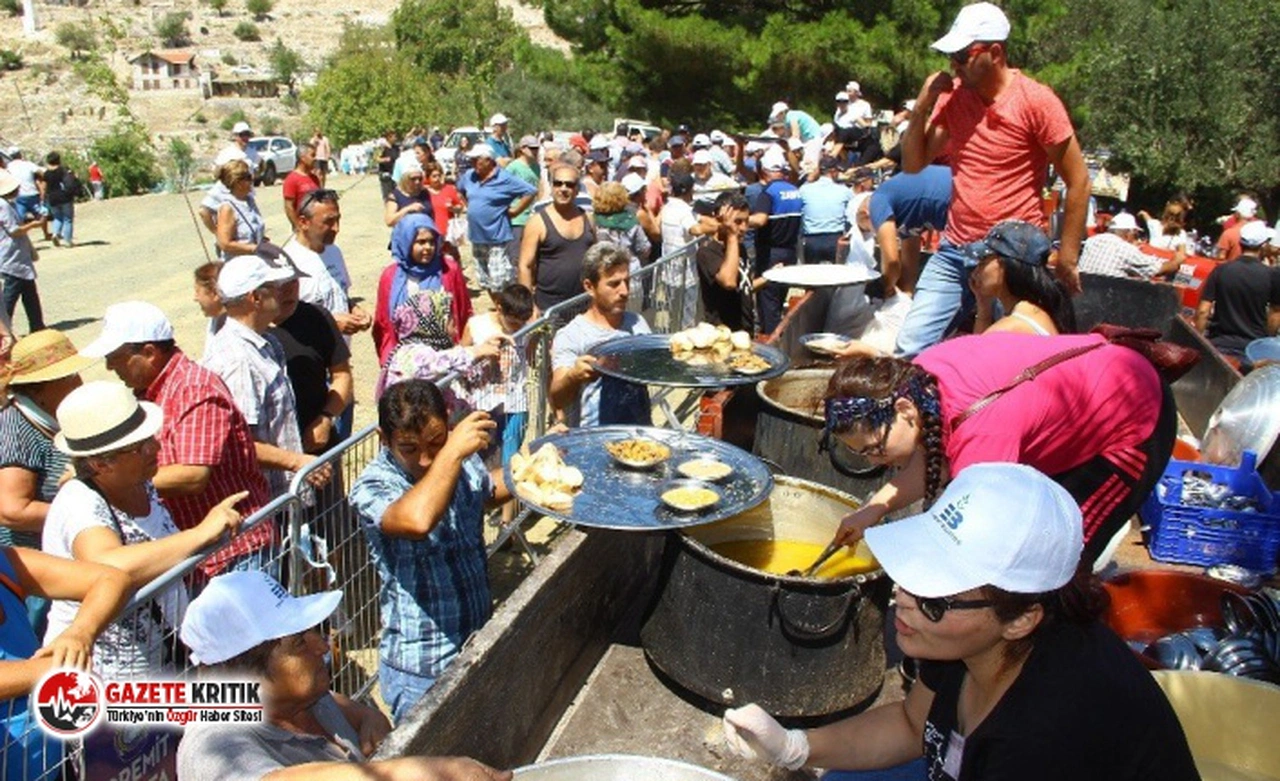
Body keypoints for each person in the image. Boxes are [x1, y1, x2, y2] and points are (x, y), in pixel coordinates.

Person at [723, 463, 1200, 781]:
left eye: (933, 600)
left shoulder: (1042, 739)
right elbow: (914, 725)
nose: (902, 604)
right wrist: (794, 747)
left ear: (1021, 619)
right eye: (910, 577)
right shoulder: (970, 641)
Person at [821, 330, 1175, 566]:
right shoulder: (917, 380)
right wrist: (874, 509)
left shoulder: (982, 435)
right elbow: (936, 453)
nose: (873, 460)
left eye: (874, 449)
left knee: (1061, 560)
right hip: (1073, 410)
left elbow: (979, 538)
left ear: (902, 410)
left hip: (1132, 419)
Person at [177, 570, 512, 781]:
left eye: (316, 632)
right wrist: (421, 772)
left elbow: (350, 709)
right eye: (299, 643)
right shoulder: (212, 741)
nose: (323, 647)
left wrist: (369, 717)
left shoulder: (306, 697)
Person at [897, 2, 1089, 358]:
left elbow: (1078, 181)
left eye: (962, 54)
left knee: (1007, 357)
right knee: (911, 346)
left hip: (1012, 256)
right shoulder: (954, 99)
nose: (954, 64)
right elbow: (913, 164)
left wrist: (1068, 256)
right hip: (955, 247)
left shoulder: (1037, 102)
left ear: (995, 52)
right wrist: (921, 108)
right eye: (950, 56)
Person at [42, 381, 248, 678]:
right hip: (107, 686)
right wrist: (200, 533)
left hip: (161, 667)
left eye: (150, 436)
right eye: (140, 447)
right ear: (101, 463)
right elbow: (105, 565)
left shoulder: (140, 482)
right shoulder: (79, 503)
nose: (156, 446)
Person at [349, 380, 512, 722]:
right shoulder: (373, 485)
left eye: (435, 443)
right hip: (422, 670)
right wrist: (450, 452)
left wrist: (531, 468)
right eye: (408, 448)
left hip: (477, 643)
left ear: (448, 421)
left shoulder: (458, 460)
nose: (424, 459)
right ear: (384, 439)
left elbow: (485, 491)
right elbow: (417, 520)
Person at [82, 301, 275, 576]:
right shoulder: (149, 391)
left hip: (232, 550)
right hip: (199, 551)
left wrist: (110, 482)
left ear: (149, 352)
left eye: (116, 357)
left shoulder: (193, 389)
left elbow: (192, 475)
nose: (110, 366)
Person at [203, 253, 332, 497]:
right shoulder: (239, 360)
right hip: (263, 500)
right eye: (274, 288)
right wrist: (296, 461)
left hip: (279, 496)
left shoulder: (266, 342)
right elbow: (241, 443)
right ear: (256, 298)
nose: (282, 293)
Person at [1, 545, 131, 780]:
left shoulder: (7, 562)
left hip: (52, 758)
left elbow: (112, 578)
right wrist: (57, 666)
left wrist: (80, 633)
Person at [0, 330, 93, 635]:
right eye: (69, 377)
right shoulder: (16, 430)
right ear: (40, 390)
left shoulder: (47, 420)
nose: (79, 383)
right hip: (32, 578)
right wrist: (77, 515)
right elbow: (11, 510)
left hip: (51, 564)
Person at [550, 243, 651, 427]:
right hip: (593, 442)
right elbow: (557, 399)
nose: (624, 291)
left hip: (638, 440)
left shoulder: (637, 323)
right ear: (590, 287)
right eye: (614, 284)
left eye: (627, 281)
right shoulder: (572, 335)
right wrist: (573, 376)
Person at [374, 214, 473, 366]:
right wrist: (388, 359)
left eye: (431, 242)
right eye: (421, 242)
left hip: (445, 357)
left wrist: (462, 352)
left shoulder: (448, 270)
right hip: (406, 360)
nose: (428, 247)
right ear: (406, 242)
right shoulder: (390, 276)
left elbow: (463, 311)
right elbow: (383, 323)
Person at [285, 189, 372, 340]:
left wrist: (354, 309)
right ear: (304, 222)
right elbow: (282, 318)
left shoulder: (334, 252)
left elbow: (340, 293)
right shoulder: (288, 263)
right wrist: (330, 324)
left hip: (339, 357)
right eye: (328, 222)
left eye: (338, 220)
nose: (336, 228)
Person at [967, 220, 1075, 336]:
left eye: (983, 262)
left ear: (1006, 266)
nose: (975, 271)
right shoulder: (1032, 311)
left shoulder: (1009, 329)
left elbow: (977, 351)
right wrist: (984, 306)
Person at [519, 162, 598, 317]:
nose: (563, 189)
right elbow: (525, 266)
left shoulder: (588, 218)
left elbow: (595, 259)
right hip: (549, 308)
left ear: (577, 189)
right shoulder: (537, 222)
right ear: (552, 187)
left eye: (569, 184)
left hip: (584, 305)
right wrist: (529, 307)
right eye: (558, 183)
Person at [457, 144, 537, 296]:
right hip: (477, 236)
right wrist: (469, 207)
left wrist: (515, 211)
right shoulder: (469, 176)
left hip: (497, 237)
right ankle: (499, 308)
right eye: (472, 160)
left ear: (488, 160)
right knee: (484, 278)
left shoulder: (505, 178)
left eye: (476, 160)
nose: (473, 163)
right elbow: (460, 189)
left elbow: (530, 191)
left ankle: (507, 308)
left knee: (499, 280)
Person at [1195, 221, 1280, 361]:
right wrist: (1266, 342)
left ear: (1240, 244)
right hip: (1252, 350)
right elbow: (1275, 314)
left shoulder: (1221, 270)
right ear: (1263, 246)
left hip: (1218, 345)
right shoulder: (1272, 276)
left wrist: (1197, 344)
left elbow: (1203, 310)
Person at [868, 164, 952, 296]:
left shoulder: (877, 201)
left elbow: (892, 262)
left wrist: (884, 287)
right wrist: (903, 296)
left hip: (964, 200)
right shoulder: (906, 212)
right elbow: (909, 270)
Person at [749, 148, 803, 335]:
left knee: (768, 304)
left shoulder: (769, 192)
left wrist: (738, 221)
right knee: (779, 301)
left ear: (763, 171)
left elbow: (760, 220)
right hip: (790, 252)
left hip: (770, 253)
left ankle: (772, 346)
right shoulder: (794, 190)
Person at [695, 191, 754, 333]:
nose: (744, 228)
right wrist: (732, 235)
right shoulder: (707, 252)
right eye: (738, 222)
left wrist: (769, 279)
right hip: (723, 334)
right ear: (720, 219)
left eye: (746, 221)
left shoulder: (739, 248)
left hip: (744, 330)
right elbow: (729, 282)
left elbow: (743, 286)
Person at [0, 171, 45, 332]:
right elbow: (13, 230)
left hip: (17, 254)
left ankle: (37, 325)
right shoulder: (3, 205)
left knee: (29, 292)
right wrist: (33, 225)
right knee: (10, 295)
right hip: (11, 255)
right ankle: (4, 328)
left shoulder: (7, 204)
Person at [1078, 212, 1183, 280]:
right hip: (1108, 300)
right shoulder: (1126, 250)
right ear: (1129, 233)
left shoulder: (1091, 241)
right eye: (1135, 234)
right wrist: (1176, 261)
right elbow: (1157, 269)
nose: (1136, 238)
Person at [593, 181, 651, 279]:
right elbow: (645, 249)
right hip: (629, 273)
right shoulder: (631, 220)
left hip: (603, 272)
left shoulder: (593, 220)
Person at [798, 158, 851, 263]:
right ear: (833, 172)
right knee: (838, 276)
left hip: (811, 240)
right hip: (836, 238)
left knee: (811, 276)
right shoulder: (844, 191)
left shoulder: (804, 189)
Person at [215, 160, 267, 261]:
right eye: (248, 177)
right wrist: (253, 248)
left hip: (256, 262)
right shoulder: (228, 207)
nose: (252, 181)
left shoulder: (250, 201)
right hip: (237, 266)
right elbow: (225, 244)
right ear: (238, 182)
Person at [505, 136, 542, 258]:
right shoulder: (513, 167)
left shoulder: (536, 167)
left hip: (532, 217)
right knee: (515, 255)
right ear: (522, 149)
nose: (535, 151)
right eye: (532, 148)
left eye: (537, 148)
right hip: (517, 219)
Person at [41, 151, 80, 247]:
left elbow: (44, 187)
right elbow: (71, 181)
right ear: (58, 160)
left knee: (57, 218)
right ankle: (67, 240)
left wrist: (43, 198)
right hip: (65, 197)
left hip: (52, 198)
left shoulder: (46, 173)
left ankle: (55, 234)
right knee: (68, 219)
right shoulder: (63, 170)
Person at [423, 161, 464, 247]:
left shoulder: (449, 189)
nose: (437, 179)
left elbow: (460, 207)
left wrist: (452, 208)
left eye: (439, 175)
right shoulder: (424, 193)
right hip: (430, 232)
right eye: (434, 176)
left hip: (448, 233)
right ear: (428, 177)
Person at [281, 143, 320, 230]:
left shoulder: (314, 178)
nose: (315, 159)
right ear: (302, 158)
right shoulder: (291, 179)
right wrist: (297, 226)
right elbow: (288, 206)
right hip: (303, 226)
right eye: (312, 155)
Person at [1215, 197, 1259, 261]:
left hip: (1232, 269)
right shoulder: (1260, 232)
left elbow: (1221, 257)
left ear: (1237, 214)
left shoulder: (1229, 233)